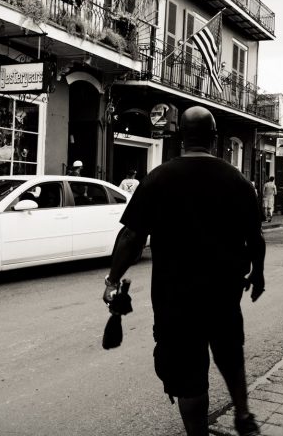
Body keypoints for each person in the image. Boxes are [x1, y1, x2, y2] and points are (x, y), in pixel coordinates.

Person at [102, 106, 265, 436]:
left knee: (189, 375)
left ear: (180, 137)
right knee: (229, 353)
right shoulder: (238, 181)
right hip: (223, 292)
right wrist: (258, 275)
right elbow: (255, 239)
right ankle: (243, 414)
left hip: (175, 298)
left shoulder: (158, 179)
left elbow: (133, 236)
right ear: (214, 139)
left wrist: (113, 279)